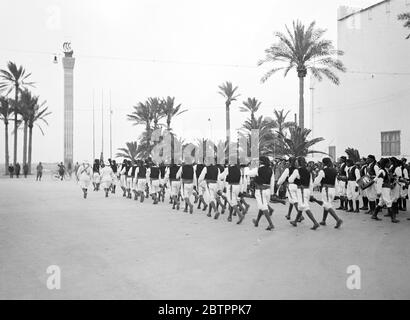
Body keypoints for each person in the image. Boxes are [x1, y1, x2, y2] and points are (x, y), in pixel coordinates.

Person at [288, 156, 320, 230]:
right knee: (300, 207)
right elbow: (311, 183)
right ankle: (295, 221)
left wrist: (295, 179)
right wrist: (311, 194)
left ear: (298, 162)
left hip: (301, 190)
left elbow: (290, 180)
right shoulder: (308, 171)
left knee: (304, 206)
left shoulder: (297, 171)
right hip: (307, 190)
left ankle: (315, 222)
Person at [313, 157, 343, 228]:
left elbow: (316, 182)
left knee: (326, 205)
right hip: (332, 189)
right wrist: (337, 193)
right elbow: (336, 183)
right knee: (327, 204)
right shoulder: (334, 170)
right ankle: (323, 220)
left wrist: (313, 186)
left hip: (326, 189)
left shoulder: (322, 171)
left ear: (323, 163)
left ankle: (338, 219)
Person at [248, 156, 275, 231]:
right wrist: (272, 193)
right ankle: (257, 221)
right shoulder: (271, 170)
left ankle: (271, 224)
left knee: (263, 207)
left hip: (260, 190)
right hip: (268, 190)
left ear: (261, 162)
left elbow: (249, 173)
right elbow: (272, 182)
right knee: (263, 206)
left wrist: (252, 166)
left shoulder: (258, 169)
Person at [371, 158, 399, 223]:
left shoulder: (385, 170)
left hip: (386, 188)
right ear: (386, 164)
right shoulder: (382, 171)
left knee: (381, 202)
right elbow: (379, 181)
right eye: (389, 163)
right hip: (384, 189)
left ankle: (374, 215)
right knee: (389, 202)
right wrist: (378, 192)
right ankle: (393, 218)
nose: (390, 164)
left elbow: (376, 178)